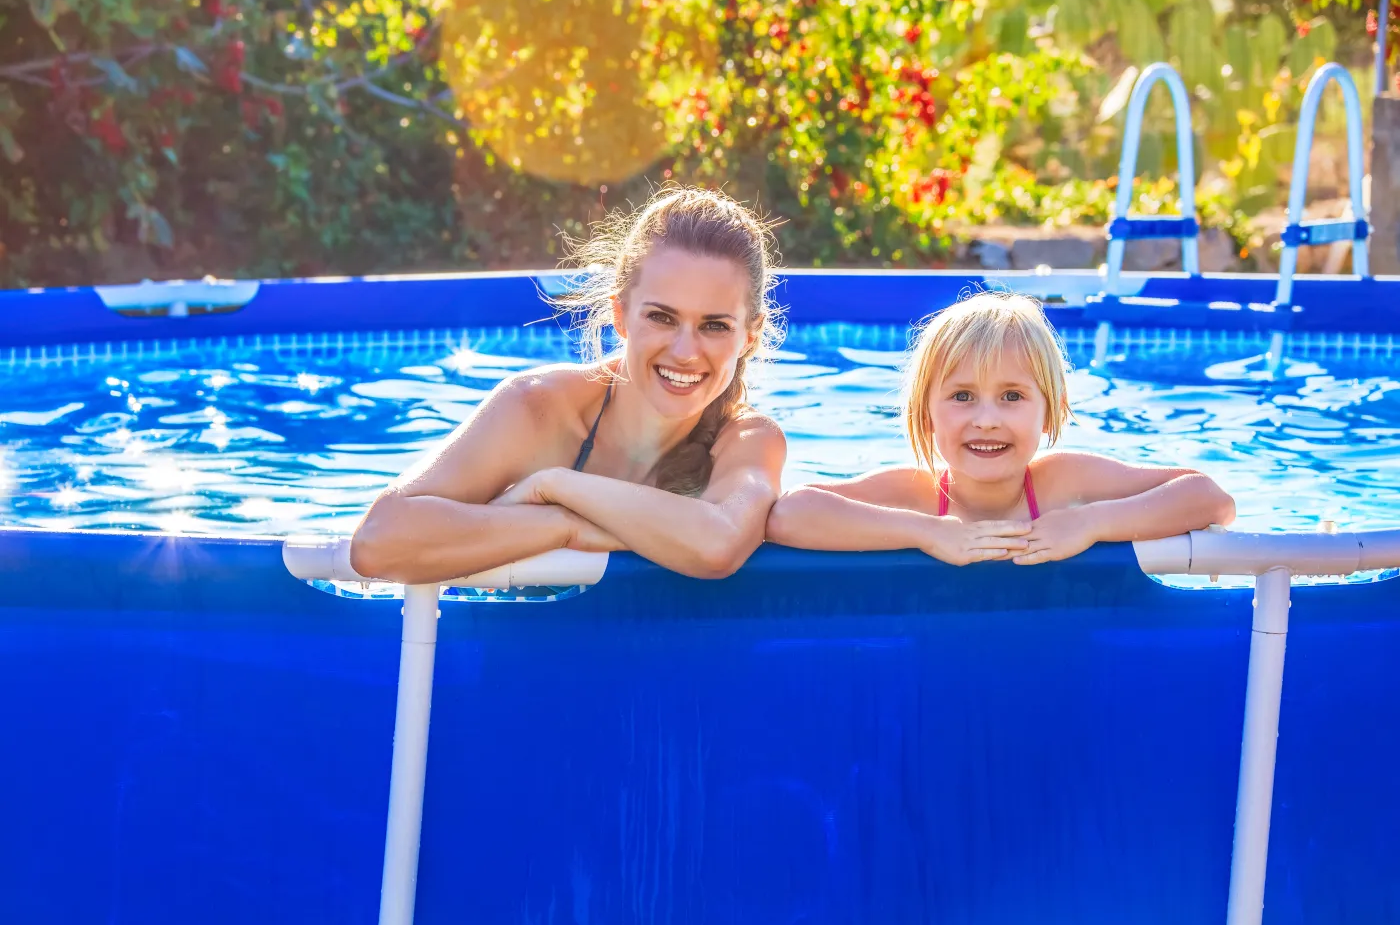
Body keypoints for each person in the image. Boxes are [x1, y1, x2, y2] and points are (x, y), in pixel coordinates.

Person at [350, 187, 787, 583]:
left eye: (714, 325)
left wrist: (557, 487)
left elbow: (718, 544)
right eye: (661, 317)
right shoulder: (537, 408)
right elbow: (377, 543)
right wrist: (564, 525)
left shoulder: (747, 440)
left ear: (748, 336)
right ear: (620, 315)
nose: (686, 352)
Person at [765, 291, 1235, 565]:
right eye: (962, 396)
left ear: (1049, 411)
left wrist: (1091, 522)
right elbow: (790, 513)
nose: (986, 419)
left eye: (1012, 397)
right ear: (925, 413)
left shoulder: (1066, 486)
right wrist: (928, 532)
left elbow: (1209, 498)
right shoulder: (918, 496)